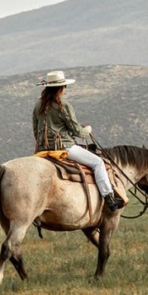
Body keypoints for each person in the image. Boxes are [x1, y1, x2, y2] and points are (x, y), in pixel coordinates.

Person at [33, 70, 125, 212]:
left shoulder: (38, 105)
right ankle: (109, 197)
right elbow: (77, 131)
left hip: (42, 150)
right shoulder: (63, 105)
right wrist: (87, 130)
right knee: (98, 163)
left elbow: (35, 128)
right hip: (64, 148)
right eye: (64, 87)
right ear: (61, 88)